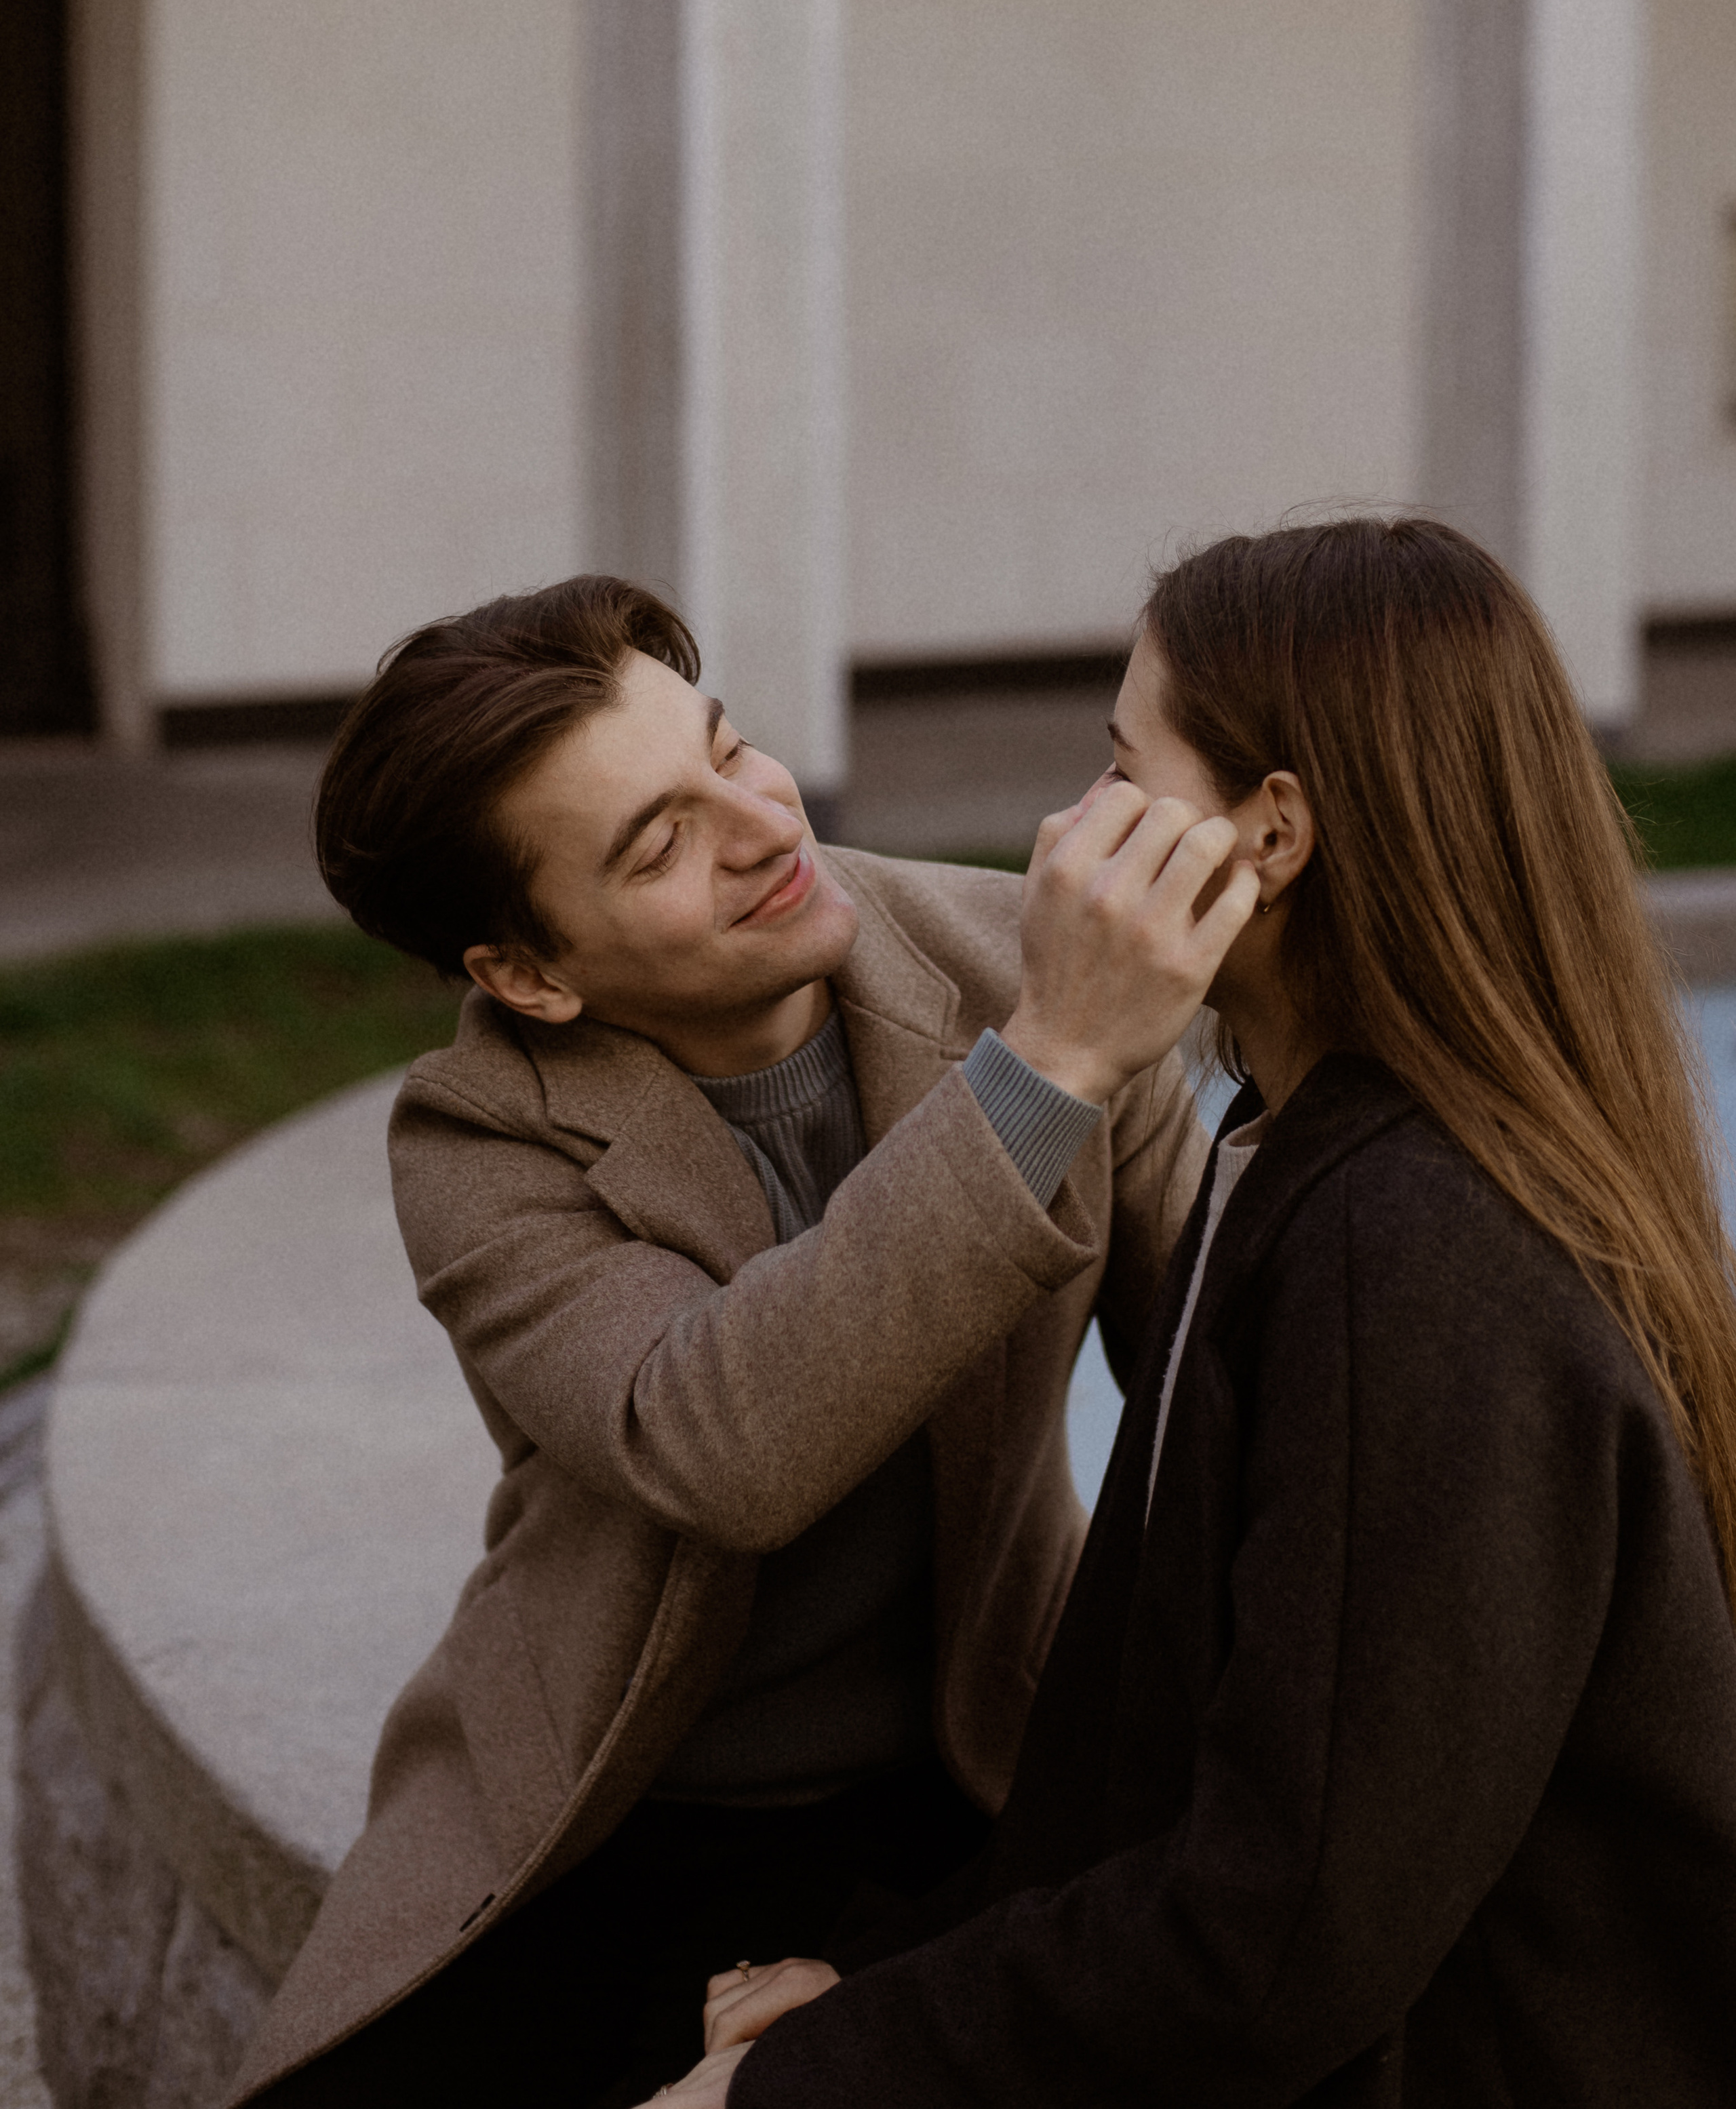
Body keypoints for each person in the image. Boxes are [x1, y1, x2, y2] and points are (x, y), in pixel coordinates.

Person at [673, 517, 1736, 2107]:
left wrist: (816, 2079)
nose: (1068, 825)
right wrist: (885, 1987)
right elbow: (1170, 1767)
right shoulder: (1300, 1149)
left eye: (1120, 772)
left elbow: (1276, 1942)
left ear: (1271, 835)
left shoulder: (1413, 1251)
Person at [225, 573, 1257, 2108]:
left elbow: (1223, 1379)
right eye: (658, 844)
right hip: (615, 1787)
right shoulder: (481, 1137)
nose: (766, 825)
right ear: (529, 975)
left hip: (962, 1759)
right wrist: (1046, 1070)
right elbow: (719, 1444)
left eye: (728, 748)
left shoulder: (1008, 963)